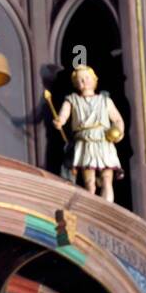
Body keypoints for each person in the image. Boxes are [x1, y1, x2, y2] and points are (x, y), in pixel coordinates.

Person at [53, 64, 125, 202]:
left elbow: (117, 119)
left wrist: (118, 133)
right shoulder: (72, 100)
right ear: (75, 84)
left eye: (86, 78)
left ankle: (107, 208)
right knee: (89, 183)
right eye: (80, 80)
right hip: (85, 143)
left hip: (104, 141)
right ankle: (92, 209)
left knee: (106, 179)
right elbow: (63, 115)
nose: (84, 82)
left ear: (94, 80)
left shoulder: (105, 101)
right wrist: (60, 121)